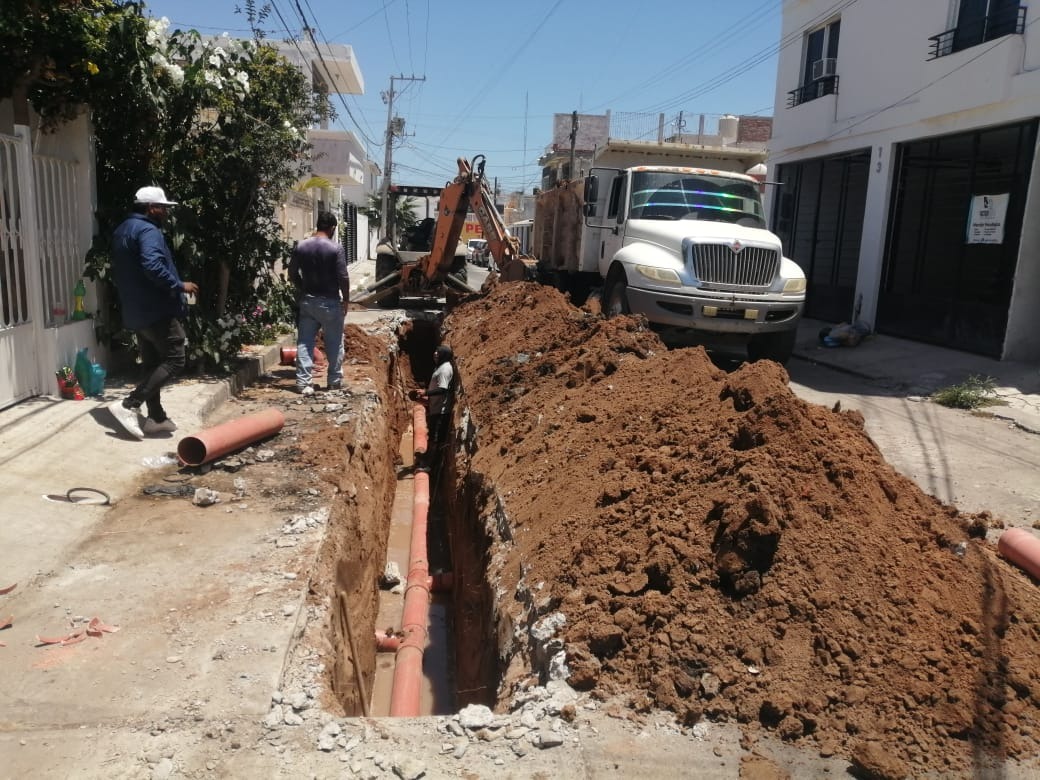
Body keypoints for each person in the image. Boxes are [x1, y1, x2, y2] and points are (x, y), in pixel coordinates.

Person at [108, 186, 199, 439]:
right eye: (164, 208)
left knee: (152, 363)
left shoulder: (122, 229)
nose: (166, 213)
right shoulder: (148, 230)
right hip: (156, 309)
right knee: (175, 358)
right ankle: (129, 404)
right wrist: (180, 285)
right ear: (152, 208)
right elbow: (152, 265)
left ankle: (156, 418)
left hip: (136, 309)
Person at [288, 211, 350, 395]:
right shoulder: (335, 249)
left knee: (305, 342)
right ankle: (334, 381)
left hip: (308, 301)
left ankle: (303, 383)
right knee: (335, 342)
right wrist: (346, 299)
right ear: (332, 228)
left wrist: (302, 287)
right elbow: (343, 276)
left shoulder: (301, 246)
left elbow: (292, 273)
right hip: (330, 301)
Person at [414, 345, 455, 467]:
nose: (435, 355)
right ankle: (427, 457)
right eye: (435, 352)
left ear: (444, 355)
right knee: (431, 435)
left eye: (438, 353)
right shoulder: (441, 366)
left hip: (441, 412)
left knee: (435, 439)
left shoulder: (445, 369)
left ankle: (430, 465)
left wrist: (426, 393)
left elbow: (443, 390)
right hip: (435, 408)